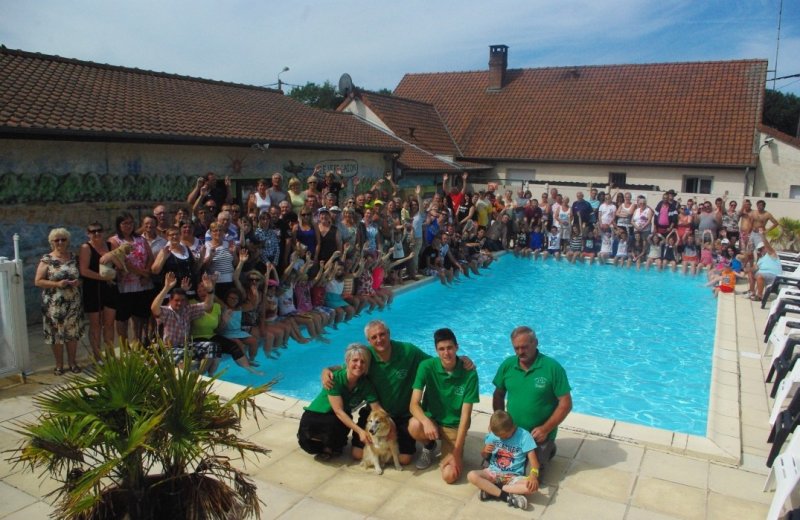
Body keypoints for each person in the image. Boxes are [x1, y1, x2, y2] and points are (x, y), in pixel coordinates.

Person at [320, 320, 432, 466]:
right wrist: (326, 370)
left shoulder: (408, 351)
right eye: (374, 337)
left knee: (404, 459)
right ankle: (383, 449)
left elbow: (432, 364)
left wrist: (458, 360)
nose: (379, 340)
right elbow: (347, 367)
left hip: (402, 415)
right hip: (375, 414)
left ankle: (420, 445)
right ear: (369, 340)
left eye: (382, 334)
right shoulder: (367, 356)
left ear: (388, 334)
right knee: (357, 454)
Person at [492, 326, 572, 467]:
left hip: (540, 436)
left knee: (530, 477)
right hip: (512, 433)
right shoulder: (507, 365)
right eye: (516, 348)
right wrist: (500, 422)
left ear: (535, 343)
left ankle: (548, 448)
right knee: (498, 466)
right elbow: (498, 394)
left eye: (524, 347)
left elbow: (566, 403)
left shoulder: (552, 368)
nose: (520, 352)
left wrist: (545, 429)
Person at [409, 328, 479, 484]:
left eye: (449, 348)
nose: (446, 353)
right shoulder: (426, 366)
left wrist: (456, 452)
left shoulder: (470, 374)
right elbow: (413, 404)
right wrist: (426, 422)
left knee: (449, 476)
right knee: (414, 424)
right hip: (432, 421)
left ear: (456, 347)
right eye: (441, 349)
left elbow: (465, 417)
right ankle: (429, 446)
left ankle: (450, 449)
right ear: (436, 350)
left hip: (453, 426)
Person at [299, 343, 382, 460]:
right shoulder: (335, 378)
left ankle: (330, 447)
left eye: (363, 362)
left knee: (340, 427)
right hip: (316, 416)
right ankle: (324, 445)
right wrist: (360, 431)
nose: (359, 365)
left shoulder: (366, 385)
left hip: (337, 418)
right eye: (355, 360)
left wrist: (388, 426)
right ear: (347, 361)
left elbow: (376, 408)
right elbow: (339, 411)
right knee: (311, 445)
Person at [35, 228, 86, 375]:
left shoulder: (74, 257)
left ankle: (72, 362)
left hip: (73, 304)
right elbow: (38, 281)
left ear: (68, 241)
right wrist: (56, 284)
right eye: (57, 240)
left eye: (63, 239)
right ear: (52, 242)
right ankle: (59, 365)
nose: (60, 242)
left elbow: (82, 278)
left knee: (72, 334)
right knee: (56, 335)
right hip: (54, 305)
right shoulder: (47, 259)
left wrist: (78, 282)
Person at [467, 410, 539, 510]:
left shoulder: (524, 436)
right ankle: (506, 496)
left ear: (512, 427)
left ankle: (491, 490)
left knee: (532, 488)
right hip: (493, 473)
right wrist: (484, 451)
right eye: (499, 436)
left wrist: (533, 475)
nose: (502, 438)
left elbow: (534, 461)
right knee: (471, 475)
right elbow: (484, 455)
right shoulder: (493, 435)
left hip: (513, 477)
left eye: (505, 436)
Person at [150, 271, 219, 374]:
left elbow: (207, 306)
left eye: (182, 300)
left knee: (213, 347)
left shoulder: (187, 310)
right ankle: (194, 378)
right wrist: (166, 288)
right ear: (170, 300)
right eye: (177, 300)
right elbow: (154, 308)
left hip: (184, 346)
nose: (180, 303)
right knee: (187, 355)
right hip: (168, 349)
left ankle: (202, 376)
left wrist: (210, 290)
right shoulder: (166, 312)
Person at [78, 222, 118, 360]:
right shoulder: (86, 247)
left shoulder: (110, 246)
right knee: (95, 325)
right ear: (88, 233)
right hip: (93, 289)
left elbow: (119, 264)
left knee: (109, 323)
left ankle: (110, 353)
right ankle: (97, 356)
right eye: (93, 231)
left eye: (99, 230)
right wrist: (103, 278)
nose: (96, 234)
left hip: (110, 288)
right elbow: (84, 270)